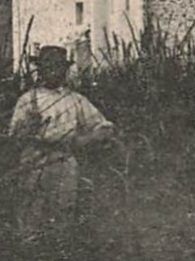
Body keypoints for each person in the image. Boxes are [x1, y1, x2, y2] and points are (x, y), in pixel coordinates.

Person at [10, 45, 117, 234]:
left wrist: (87, 138)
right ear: (39, 69)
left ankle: (59, 253)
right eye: (48, 65)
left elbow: (104, 125)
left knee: (63, 212)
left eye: (58, 66)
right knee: (32, 212)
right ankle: (29, 255)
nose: (53, 70)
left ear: (64, 69)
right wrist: (29, 127)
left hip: (64, 160)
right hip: (34, 159)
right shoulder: (28, 100)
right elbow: (15, 137)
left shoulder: (74, 99)